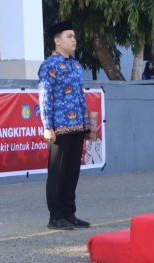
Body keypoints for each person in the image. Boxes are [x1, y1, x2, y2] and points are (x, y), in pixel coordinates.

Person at [38, 20, 91, 230]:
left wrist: (86, 125)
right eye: (70, 36)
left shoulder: (76, 65)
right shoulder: (49, 65)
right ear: (57, 41)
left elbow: (80, 97)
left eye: (74, 36)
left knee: (72, 173)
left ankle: (70, 214)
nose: (74, 40)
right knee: (57, 173)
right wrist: (47, 126)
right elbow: (44, 96)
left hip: (77, 126)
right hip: (59, 127)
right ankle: (56, 217)